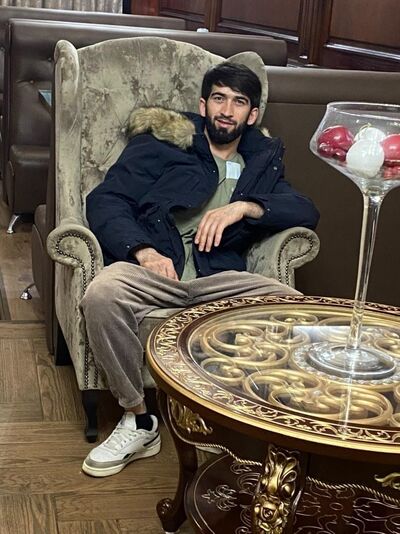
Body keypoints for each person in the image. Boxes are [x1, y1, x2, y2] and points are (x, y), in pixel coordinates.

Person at [80, 62, 319, 477]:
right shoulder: (162, 145)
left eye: (239, 102)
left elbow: (305, 210)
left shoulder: (260, 162)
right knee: (101, 294)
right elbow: (106, 200)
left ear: (252, 115)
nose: (227, 110)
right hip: (156, 273)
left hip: (218, 280)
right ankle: (138, 419)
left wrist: (243, 207)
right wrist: (143, 251)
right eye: (219, 98)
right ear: (203, 104)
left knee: (297, 309)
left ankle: (270, 427)